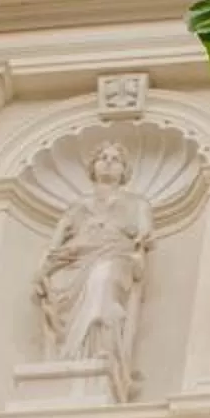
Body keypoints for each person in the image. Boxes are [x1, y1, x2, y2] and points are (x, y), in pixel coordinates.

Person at [34, 141, 155, 401]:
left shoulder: (137, 203)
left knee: (103, 281)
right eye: (102, 157)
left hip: (115, 254)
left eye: (115, 159)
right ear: (93, 167)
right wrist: (44, 267)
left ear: (124, 170)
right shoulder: (79, 205)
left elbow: (145, 232)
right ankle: (72, 356)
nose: (108, 162)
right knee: (63, 285)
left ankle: (104, 351)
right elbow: (57, 240)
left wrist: (143, 238)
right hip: (77, 256)